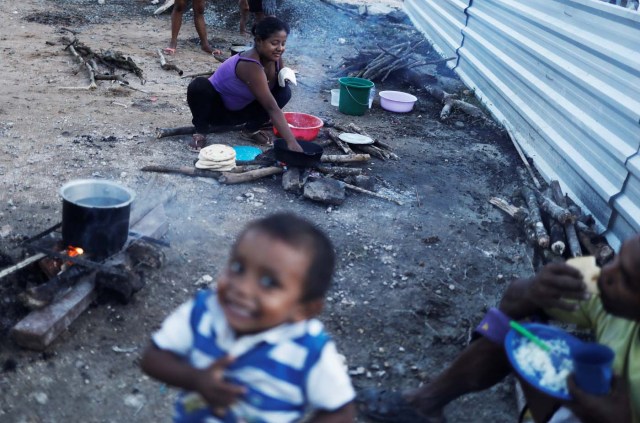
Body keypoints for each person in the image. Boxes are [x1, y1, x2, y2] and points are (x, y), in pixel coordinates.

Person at [359, 233, 640, 423]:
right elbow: (510, 303)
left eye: (625, 279)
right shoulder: (608, 285)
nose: (606, 273)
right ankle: (425, 404)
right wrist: (533, 289)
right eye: (615, 260)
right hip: (584, 408)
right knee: (520, 329)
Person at [140, 213, 356, 423]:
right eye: (238, 267)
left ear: (304, 309)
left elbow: (341, 412)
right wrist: (196, 379)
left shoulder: (310, 351)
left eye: (269, 283)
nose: (242, 288)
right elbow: (152, 358)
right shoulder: (203, 312)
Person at [186, 16, 301, 152]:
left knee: (284, 91)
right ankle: (200, 131)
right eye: (275, 43)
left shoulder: (275, 58)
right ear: (259, 41)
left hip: (241, 111)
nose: (280, 48)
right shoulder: (249, 64)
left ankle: (250, 130)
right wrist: (292, 143)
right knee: (199, 85)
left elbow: (276, 90)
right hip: (216, 112)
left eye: (283, 43)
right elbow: (271, 107)